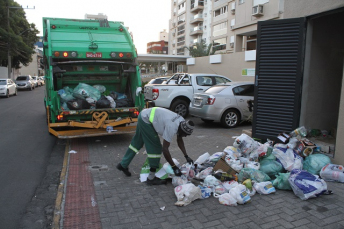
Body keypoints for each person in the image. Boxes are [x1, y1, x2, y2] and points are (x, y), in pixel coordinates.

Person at [117, 107, 194, 185]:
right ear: (182, 130)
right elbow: (165, 149)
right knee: (156, 149)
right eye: (185, 134)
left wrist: (186, 156)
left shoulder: (182, 122)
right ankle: (151, 178)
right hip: (146, 120)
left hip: (143, 115)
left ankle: (123, 164)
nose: (185, 136)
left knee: (137, 142)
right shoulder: (171, 127)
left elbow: (179, 140)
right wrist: (174, 167)